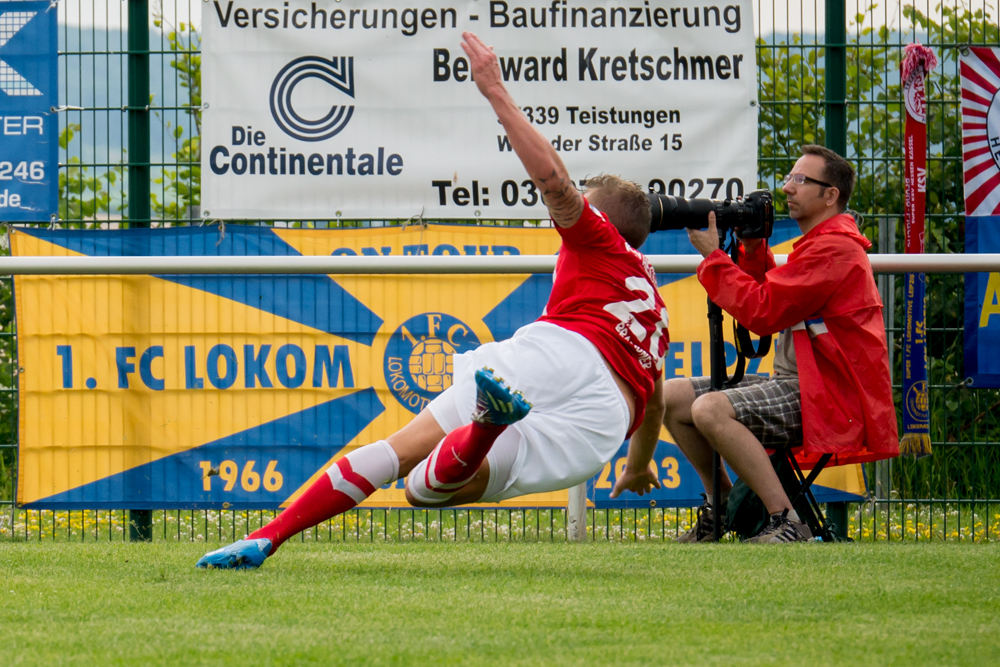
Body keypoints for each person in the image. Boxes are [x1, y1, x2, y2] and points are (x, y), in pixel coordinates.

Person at [196, 32, 668, 569]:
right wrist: (637, 463)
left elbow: (555, 183)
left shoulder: (596, 237)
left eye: (586, 203)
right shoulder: (653, 297)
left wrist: (494, 90)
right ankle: (482, 429)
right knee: (425, 489)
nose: (573, 208)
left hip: (564, 354)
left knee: (400, 458)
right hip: (602, 422)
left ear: (602, 216)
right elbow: (651, 398)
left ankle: (272, 533)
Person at [612, 145, 898, 543]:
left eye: (800, 180)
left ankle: (787, 521)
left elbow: (762, 312)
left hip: (830, 395)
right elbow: (773, 294)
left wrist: (714, 257)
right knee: (674, 397)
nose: (787, 189)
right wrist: (751, 247)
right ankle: (723, 503)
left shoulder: (835, 249)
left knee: (710, 409)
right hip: (803, 385)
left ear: (830, 195)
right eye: (788, 178)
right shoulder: (818, 246)